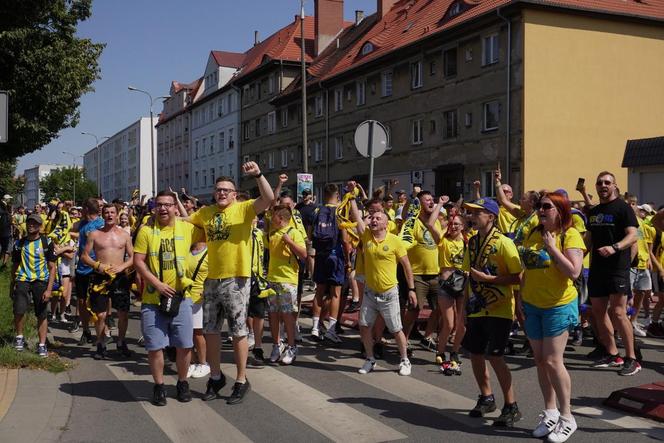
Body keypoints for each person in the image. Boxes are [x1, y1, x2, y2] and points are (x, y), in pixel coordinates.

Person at [187, 162, 274, 404]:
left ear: (234, 194)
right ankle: (215, 377)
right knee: (211, 331)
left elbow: (267, 198)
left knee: (237, 331)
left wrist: (258, 174)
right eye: (218, 190)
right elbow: (184, 224)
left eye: (226, 190)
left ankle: (241, 380)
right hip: (211, 279)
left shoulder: (244, 209)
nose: (222, 193)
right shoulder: (205, 213)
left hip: (236, 278)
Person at [519, 192, 585, 441]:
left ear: (560, 209)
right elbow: (527, 269)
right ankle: (551, 412)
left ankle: (568, 417)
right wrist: (520, 299)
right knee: (539, 360)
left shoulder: (570, 235)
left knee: (553, 361)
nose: (540, 210)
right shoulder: (533, 233)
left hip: (559, 305)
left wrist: (552, 248)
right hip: (533, 304)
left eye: (546, 206)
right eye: (539, 206)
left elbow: (574, 272)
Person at [133, 190, 201, 406]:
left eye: (167, 205)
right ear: (154, 208)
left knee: (184, 345)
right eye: (159, 205)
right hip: (153, 299)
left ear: (174, 207)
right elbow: (138, 261)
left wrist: (185, 215)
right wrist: (157, 284)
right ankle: (159, 386)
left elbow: (208, 232)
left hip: (182, 298)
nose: (163, 208)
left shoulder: (187, 228)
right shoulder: (146, 231)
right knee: (155, 347)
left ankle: (182, 382)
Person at [462, 197, 523, 426]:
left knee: (496, 356)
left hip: (500, 307)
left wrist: (491, 279)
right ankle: (486, 397)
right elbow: (468, 273)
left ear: (491, 216)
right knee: (475, 354)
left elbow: (518, 276)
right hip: (477, 306)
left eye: (477, 213)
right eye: (471, 213)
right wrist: (463, 309)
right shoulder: (472, 242)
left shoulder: (505, 243)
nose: (472, 216)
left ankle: (511, 405)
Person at [350, 198, 417, 376]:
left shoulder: (395, 241)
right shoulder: (366, 237)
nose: (373, 220)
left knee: (396, 329)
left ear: (386, 225)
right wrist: (351, 198)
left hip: (389, 293)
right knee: (364, 326)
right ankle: (370, 359)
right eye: (372, 218)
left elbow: (406, 266)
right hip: (370, 293)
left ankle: (404, 360)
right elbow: (357, 218)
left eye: (378, 218)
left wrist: (411, 289)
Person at [586, 172, 640, 376]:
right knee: (598, 312)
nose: (603, 185)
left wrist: (615, 247)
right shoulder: (594, 211)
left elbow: (633, 235)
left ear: (614, 186)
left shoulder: (623, 208)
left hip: (617, 267)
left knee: (618, 312)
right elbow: (588, 241)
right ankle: (613, 354)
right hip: (597, 269)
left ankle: (632, 358)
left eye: (607, 182)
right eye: (599, 182)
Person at [81, 204, 134, 359]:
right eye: (106, 213)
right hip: (100, 277)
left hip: (120, 278)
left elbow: (133, 257)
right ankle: (100, 343)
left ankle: (121, 342)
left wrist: (121, 267)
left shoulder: (124, 235)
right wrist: (99, 265)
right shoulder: (94, 234)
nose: (110, 215)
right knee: (101, 314)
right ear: (102, 215)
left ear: (117, 215)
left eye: (112, 212)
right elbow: (84, 256)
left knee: (123, 313)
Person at [400, 190, 443, 353]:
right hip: (417, 274)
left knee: (439, 307)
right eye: (427, 200)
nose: (431, 202)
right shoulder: (412, 222)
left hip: (435, 273)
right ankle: (403, 339)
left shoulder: (436, 221)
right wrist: (412, 199)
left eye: (433, 199)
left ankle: (428, 337)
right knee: (415, 307)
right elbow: (405, 215)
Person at [10, 214, 57, 357]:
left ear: (40, 226)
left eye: (35, 223)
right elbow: (15, 265)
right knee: (19, 309)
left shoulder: (46, 242)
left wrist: (49, 289)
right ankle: (19, 338)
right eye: (29, 223)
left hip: (40, 281)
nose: (31, 225)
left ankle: (42, 345)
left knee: (41, 313)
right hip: (23, 279)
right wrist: (12, 283)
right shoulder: (19, 243)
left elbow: (52, 267)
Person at [266, 205, 307, 364]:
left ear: (280, 218)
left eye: (273, 216)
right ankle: (277, 345)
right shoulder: (272, 233)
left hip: (288, 280)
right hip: (272, 279)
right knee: (273, 314)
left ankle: (292, 346)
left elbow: (304, 255)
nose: (270, 218)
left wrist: (289, 242)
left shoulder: (293, 232)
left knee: (288, 315)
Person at [310, 183, 347, 343]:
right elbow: (345, 239)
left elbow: (310, 235)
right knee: (335, 293)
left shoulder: (317, 210)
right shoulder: (339, 212)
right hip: (335, 254)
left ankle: (315, 327)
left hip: (320, 255)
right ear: (337, 195)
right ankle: (331, 329)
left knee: (319, 291)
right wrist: (347, 258)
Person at [436, 213, 467, 375]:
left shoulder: (467, 241)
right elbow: (432, 228)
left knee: (461, 325)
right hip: (446, 286)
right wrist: (444, 226)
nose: (453, 226)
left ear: (463, 226)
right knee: (449, 324)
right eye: (451, 224)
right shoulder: (443, 240)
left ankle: (454, 351)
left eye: (457, 224)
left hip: (463, 285)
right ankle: (440, 351)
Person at [73, 198, 105, 344]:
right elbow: (73, 228)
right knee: (81, 301)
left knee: (97, 302)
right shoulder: (83, 223)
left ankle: (103, 333)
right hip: (81, 268)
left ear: (86, 209)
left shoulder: (100, 224)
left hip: (96, 267)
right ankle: (86, 331)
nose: (80, 211)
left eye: (82, 209)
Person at [626, 196, 655, 338]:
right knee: (626, 297)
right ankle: (621, 327)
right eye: (629, 203)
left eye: (633, 204)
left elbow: (644, 243)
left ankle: (633, 321)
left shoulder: (642, 222)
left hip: (643, 262)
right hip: (631, 264)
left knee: (642, 292)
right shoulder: (626, 220)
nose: (631, 206)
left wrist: (648, 258)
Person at [186, 240, 210, 379]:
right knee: (185, 332)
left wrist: (207, 290)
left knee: (197, 332)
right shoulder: (187, 248)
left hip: (199, 298)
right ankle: (192, 361)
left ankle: (203, 363)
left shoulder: (209, 252)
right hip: (185, 295)